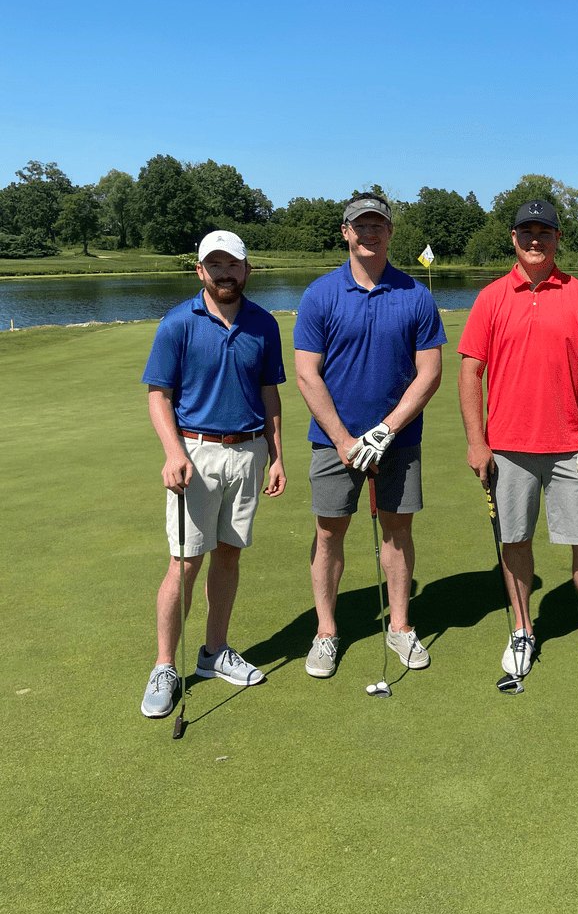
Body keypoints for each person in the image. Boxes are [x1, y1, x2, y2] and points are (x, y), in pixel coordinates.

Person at [458, 199, 578, 687]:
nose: (536, 240)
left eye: (545, 232)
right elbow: (470, 371)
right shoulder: (491, 297)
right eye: (527, 232)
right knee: (514, 540)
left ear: (557, 238)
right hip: (507, 447)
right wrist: (476, 441)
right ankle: (522, 630)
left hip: (571, 447)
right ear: (513, 238)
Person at [294, 193, 446, 679]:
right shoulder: (320, 294)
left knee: (398, 532)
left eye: (378, 224)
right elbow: (307, 375)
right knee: (328, 533)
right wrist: (344, 440)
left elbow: (430, 373)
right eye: (360, 225)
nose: (369, 233)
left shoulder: (415, 294)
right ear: (346, 232)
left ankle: (399, 626)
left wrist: (386, 429)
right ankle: (326, 632)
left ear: (390, 231)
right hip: (333, 442)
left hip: (399, 441)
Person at [140, 230, 286, 718]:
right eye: (215, 265)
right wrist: (172, 452)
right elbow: (159, 394)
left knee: (229, 555)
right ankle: (164, 666)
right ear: (200, 270)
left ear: (247, 269)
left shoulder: (264, 324)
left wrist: (276, 456)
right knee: (185, 562)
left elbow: (269, 393)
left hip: (248, 451)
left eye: (233, 264)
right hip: (195, 454)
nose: (225, 273)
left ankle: (214, 652)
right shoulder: (178, 322)